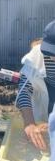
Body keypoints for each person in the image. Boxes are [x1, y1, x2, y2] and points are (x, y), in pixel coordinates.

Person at [16, 20, 55, 152]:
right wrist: (29, 123)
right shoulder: (39, 54)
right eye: (50, 53)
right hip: (41, 112)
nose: (52, 58)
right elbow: (24, 89)